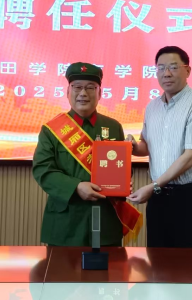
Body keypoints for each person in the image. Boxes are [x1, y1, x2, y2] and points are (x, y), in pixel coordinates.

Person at [33, 62, 140, 246]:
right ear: (67, 92)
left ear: (100, 93)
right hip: (66, 221)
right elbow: (43, 170)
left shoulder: (113, 127)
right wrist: (76, 187)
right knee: (62, 266)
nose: (83, 93)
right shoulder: (51, 130)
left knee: (109, 265)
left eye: (90, 87)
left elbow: (123, 168)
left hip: (106, 220)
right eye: (77, 87)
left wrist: (123, 182)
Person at [127, 46, 192, 248]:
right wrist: (132, 147)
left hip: (190, 198)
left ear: (188, 71)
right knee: (157, 261)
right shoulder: (152, 107)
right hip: (158, 199)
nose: (166, 73)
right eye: (161, 68)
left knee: (191, 263)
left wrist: (154, 186)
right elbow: (146, 147)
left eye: (173, 67)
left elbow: (191, 156)